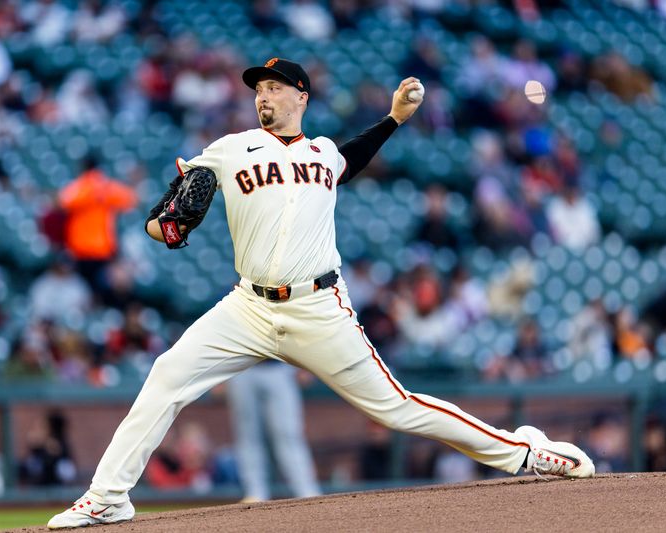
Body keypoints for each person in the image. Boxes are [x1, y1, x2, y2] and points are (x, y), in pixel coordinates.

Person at [48, 58, 595, 529]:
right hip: (248, 306)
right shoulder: (228, 150)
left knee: (399, 408)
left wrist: (394, 120)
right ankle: (107, 499)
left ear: (299, 96)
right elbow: (161, 223)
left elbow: (353, 154)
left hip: (318, 306)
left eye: (273, 87)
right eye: (257, 89)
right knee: (167, 375)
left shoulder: (324, 154)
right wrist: (167, 224)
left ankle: (526, 453)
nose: (263, 95)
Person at [226, 361, 321, 502]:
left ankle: (306, 491)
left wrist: (303, 364)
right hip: (242, 366)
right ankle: (255, 493)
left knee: (288, 433)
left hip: (278, 365)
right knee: (248, 435)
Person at [58, 155, 137, 290]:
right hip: (102, 247)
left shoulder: (80, 186)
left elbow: (64, 201)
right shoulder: (106, 186)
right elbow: (130, 199)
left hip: (81, 247)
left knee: (87, 287)